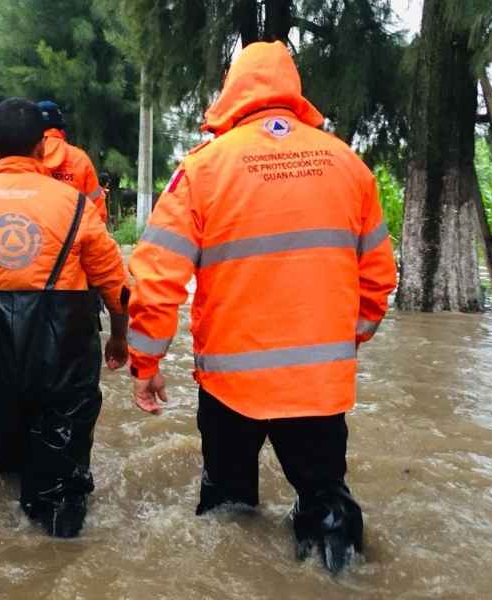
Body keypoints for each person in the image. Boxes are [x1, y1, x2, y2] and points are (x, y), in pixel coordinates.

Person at [125, 42, 397, 574]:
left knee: (227, 508)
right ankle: (339, 569)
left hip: (232, 384)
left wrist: (147, 365)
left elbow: (157, 279)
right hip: (319, 385)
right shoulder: (348, 165)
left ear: (233, 90)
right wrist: (346, 342)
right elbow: (379, 279)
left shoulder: (203, 169)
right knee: (325, 499)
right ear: (292, 89)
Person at [0, 98, 130, 538]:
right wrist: (118, 337)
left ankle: (7, 549)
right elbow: (114, 283)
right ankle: (56, 537)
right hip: (64, 354)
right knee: (60, 472)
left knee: (6, 459)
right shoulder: (76, 205)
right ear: (41, 147)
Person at [37, 100, 108, 224]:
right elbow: (97, 207)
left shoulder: (27, 157)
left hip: (34, 238)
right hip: (74, 239)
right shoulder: (80, 158)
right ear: (61, 130)